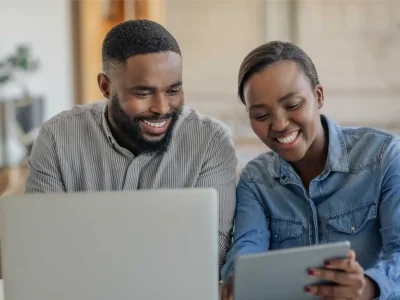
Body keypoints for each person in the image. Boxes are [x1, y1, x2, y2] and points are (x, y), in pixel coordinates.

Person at [25, 20, 237, 272]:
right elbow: (41, 245)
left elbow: (213, 249)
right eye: (143, 93)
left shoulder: (210, 141)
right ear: (105, 86)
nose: (161, 108)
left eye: (173, 90)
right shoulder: (57, 138)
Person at [221, 41, 400, 299]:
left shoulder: (383, 157)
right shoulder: (256, 180)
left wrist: (369, 286)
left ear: (318, 96)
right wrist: (237, 278)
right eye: (261, 115)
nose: (280, 124)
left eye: (293, 105)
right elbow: (247, 250)